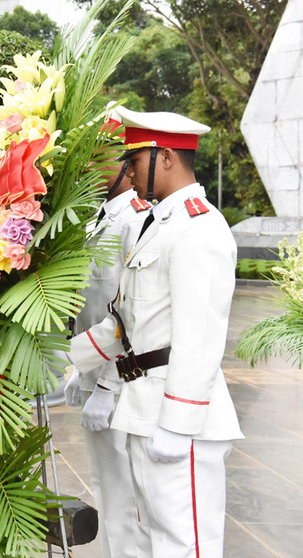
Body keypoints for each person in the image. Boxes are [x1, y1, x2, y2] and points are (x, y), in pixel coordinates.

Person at [67, 108, 243, 557]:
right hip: (145, 407)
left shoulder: (198, 227)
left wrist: (179, 423)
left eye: (136, 158)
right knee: (153, 540)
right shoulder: (158, 225)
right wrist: (61, 359)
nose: (128, 169)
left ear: (165, 157)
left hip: (179, 415)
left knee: (185, 545)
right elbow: (123, 324)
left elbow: (200, 336)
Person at [62, 110, 148, 557]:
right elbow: (91, 306)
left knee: (129, 501)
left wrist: (108, 387)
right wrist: (85, 375)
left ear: (123, 164)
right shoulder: (99, 219)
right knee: (109, 490)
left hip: (128, 383)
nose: (87, 170)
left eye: (97, 159)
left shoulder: (135, 220)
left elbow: (131, 315)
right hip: (102, 373)